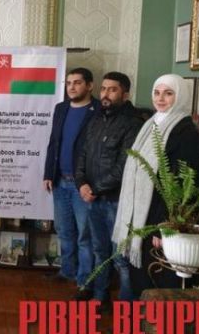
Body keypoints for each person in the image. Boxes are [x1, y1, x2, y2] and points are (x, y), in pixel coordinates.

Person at [113, 74, 199, 298]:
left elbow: (180, 185)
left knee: (154, 281)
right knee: (139, 278)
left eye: (168, 93)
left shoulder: (186, 132)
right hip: (140, 218)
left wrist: (164, 228)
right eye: (157, 92)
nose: (160, 98)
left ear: (180, 96)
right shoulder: (151, 124)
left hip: (158, 222)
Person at [74, 71, 143, 305]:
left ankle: (127, 308)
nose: (105, 94)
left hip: (116, 201)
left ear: (125, 94)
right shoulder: (96, 119)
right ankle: (99, 297)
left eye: (112, 90)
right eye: (103, 89)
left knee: (120, 257)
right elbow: (83, 155)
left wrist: (94, 189)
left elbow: (124, 166)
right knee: (99, 251)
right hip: (93, 199)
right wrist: (81, 183)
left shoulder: (133, 123)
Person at [43, 67, 100, 299]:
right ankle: (67, 271)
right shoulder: (61, 108)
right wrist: (48, 173)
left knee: (85, 236)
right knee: (64, 231)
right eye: (68, 83)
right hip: (59, 181)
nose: (72, 87)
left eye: (77, 83)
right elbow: (53, 142)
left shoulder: (98, 111)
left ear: (89, 85)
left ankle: (85, 281)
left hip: (82, 185)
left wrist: (90, 182)